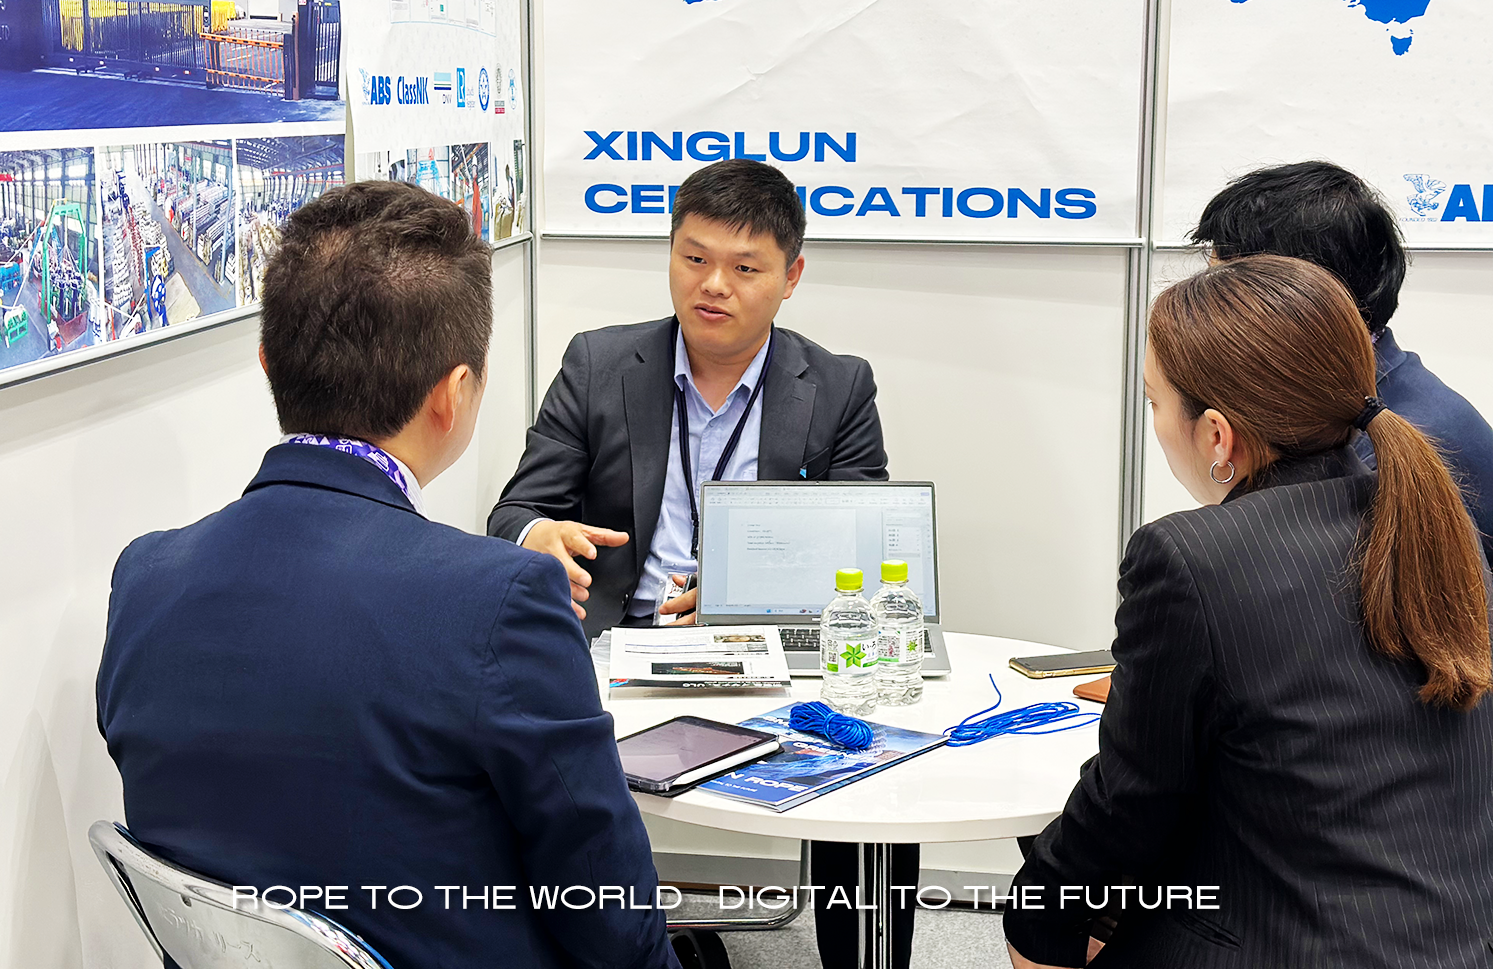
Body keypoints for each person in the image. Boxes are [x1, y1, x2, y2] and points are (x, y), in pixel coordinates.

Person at [97, 182, 678, 969]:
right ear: (455, 394)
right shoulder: (500, 602)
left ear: (268, 364)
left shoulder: (144, 577)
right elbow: (608, 908)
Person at [1005, 255, 1493, 969]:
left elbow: (1132, 801)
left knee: (1048, 913)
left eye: (1154, 403)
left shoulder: (1188, 556)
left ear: (1216, 435)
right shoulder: (1429, 518)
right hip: (1455, 936)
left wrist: (1035, 917)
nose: (1155, 424)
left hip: (1285, 942)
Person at [488, 158, 914, 969]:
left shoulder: (836, 386)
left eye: (745, 268)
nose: (713, 285)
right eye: (694, 258)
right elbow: (515, 510)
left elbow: (860, 545)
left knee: (867, 766)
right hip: (616, 646)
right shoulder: (598, 364)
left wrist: (746, 593)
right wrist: (536, 534)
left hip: (770, 651)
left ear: (791, 277)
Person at [1192, 161, 1493, 557]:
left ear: (1299, 296)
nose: (1206, 312)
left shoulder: (1378, 458)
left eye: (1223, 290)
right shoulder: (1365, 401)